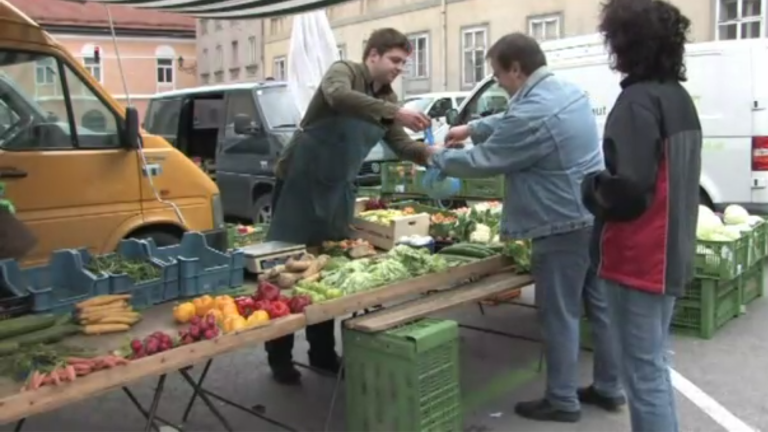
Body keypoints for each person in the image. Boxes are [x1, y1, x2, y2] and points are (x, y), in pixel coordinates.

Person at [431, 33, 623, 423]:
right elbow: (514, 119)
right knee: (600, 307)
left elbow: (488, 160)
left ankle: (562, 401)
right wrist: (472, 128)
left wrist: (436, 157)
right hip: (593, 213)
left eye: (498, 74)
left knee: (560, 315)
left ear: (516, 69)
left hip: (559, 223)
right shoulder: (566, 91)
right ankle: (608, 387)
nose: (498, 81)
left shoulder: (533, 112)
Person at [264, 28, 433, 385]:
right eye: (395, 60)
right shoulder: (343, 72)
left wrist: (431, 155)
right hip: (299, 183)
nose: (399, 68)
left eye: (404, 62)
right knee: (285, 272)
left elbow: (401, 144)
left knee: (327, 269)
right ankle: (278, 357)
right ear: (372, 55)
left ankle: (322, 352)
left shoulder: (387, 97)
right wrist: (395, 111)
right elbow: (338, 97)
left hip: (337, 190)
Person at [581, 1, 700, 431]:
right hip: (670, 253)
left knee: (644, 376)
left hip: (639, 259)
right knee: (652, 368)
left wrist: (591, 188)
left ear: (624, 43)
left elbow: (628, 191)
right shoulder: (678, 97)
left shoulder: (637, 101)